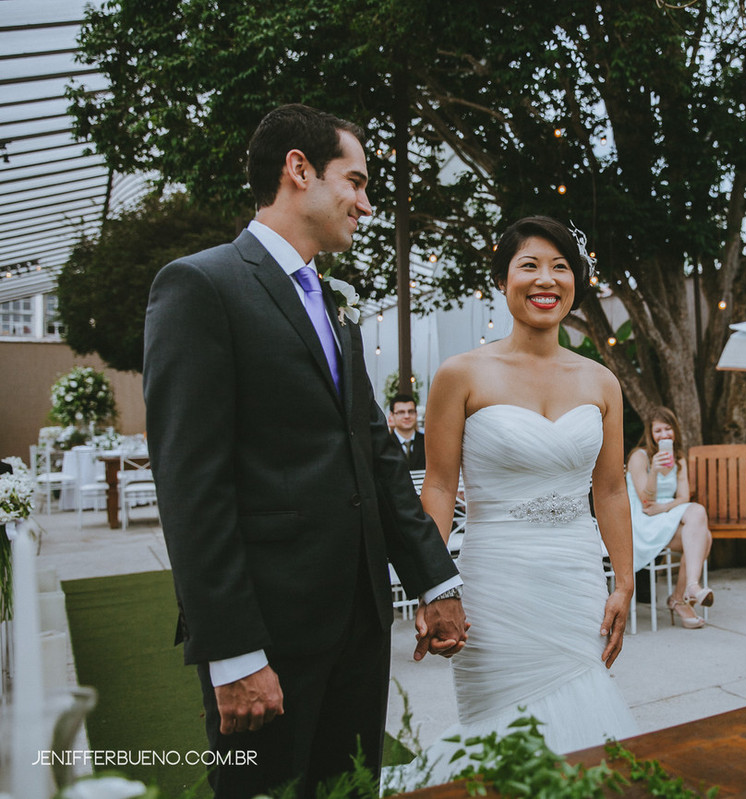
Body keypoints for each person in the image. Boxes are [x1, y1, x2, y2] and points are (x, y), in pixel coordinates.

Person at [143, 104, 467, 799]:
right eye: (355, 181)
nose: (366, 203)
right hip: (269, 632)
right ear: (299, 170)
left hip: (359, 622)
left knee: (352, 789)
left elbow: (373, 453)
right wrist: (232, 650)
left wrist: (434, 580)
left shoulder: (333, 302)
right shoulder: (200, 286)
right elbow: (190, 483)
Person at [416, 215, 637, 780]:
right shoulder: (460, 374)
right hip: (494, 585)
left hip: (576, 581)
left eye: (561, 267)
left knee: (584, 731)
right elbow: (439, 485)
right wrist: (430, 584)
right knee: (496, 739)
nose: (547, 279)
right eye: (530, 265)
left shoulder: (601, 381)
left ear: (576, 283)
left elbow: (609, 488)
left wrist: (625, 580)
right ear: (503, 278)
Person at [625, 407, 714, 629]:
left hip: (662, 516)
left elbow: (683, 497)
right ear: (650, 434)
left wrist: (664, 507)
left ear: (675, 430)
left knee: (700, 524)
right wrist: (654, 470)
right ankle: (683, 597)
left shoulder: (679, 460)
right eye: (658, 431)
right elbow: (646, 502)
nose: (664, 435)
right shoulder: (640, 456)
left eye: (668, 429)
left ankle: (684, 592)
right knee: (704, 535)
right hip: (643, 523)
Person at [388, 393, 426, 470]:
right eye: (401, 412)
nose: (407, 416)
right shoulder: (385, 444)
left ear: (416, 414)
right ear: (392, 415)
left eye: (411, 411)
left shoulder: (427, 442)